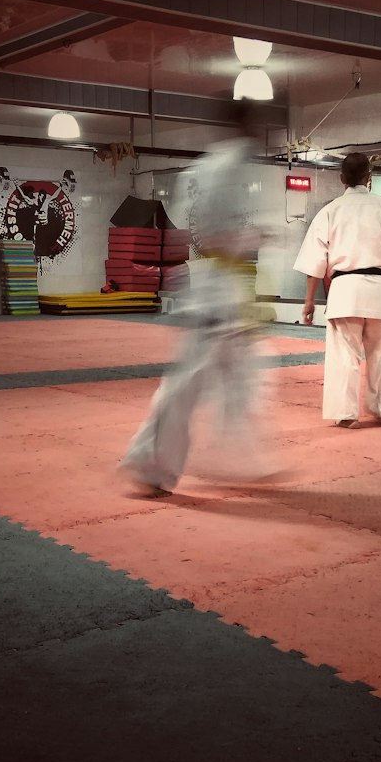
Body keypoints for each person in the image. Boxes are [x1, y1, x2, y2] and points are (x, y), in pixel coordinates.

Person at [119, 107, 274, 496]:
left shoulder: (211, 167)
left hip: (218, 288)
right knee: (186, 386)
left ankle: (240, 459)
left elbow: (201, 233)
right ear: (246, 125)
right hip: (216, 292)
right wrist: (255, 237)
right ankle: (149, 464)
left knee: (243, 378)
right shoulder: (227, 166)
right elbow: (220, 234)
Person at [293, 152, 381, 427]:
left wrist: (309, 302)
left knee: (344, 354)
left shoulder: (330, 211)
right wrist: (380, 280)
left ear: (342, 178)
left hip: (344, 288)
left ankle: (346, 414)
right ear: (370, 178)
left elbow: (316, 262)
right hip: (380, 288)